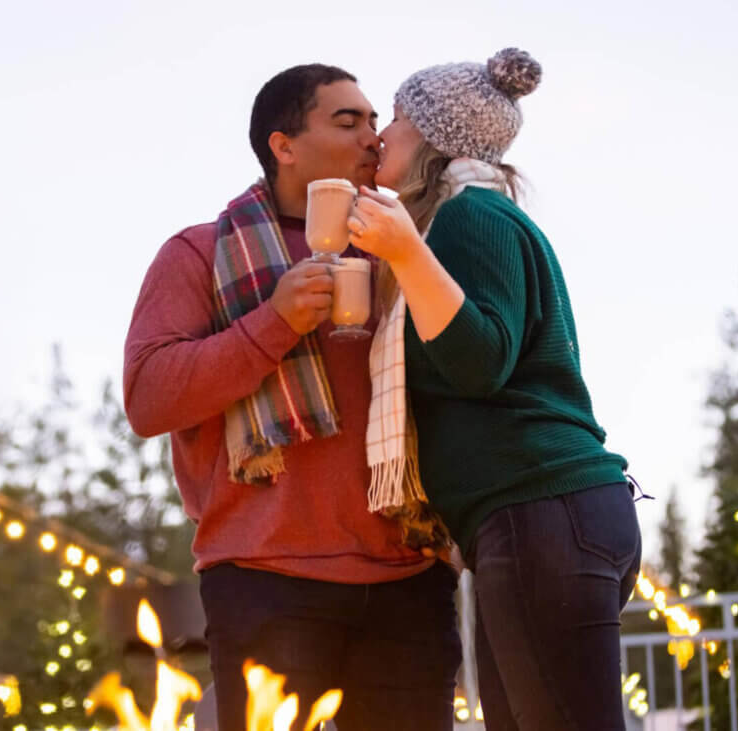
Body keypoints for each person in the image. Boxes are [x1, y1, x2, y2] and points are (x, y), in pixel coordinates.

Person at [123, 64, 461, 731]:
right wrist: (273, 322)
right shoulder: (199, 253)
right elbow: (148, 398)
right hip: (265, 583)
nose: (374, 136)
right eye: (347, 120)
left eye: (375, 120)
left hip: (408, 583)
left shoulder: (409, 250)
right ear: (283, 145)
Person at [347, 48, 644, 730]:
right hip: (541, 519)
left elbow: (481, 361)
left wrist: (404, 253)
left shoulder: (469, 217)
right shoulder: (473, 220)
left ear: (436, 138)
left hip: (542, 513)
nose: (382, 133)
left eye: (397, 116)